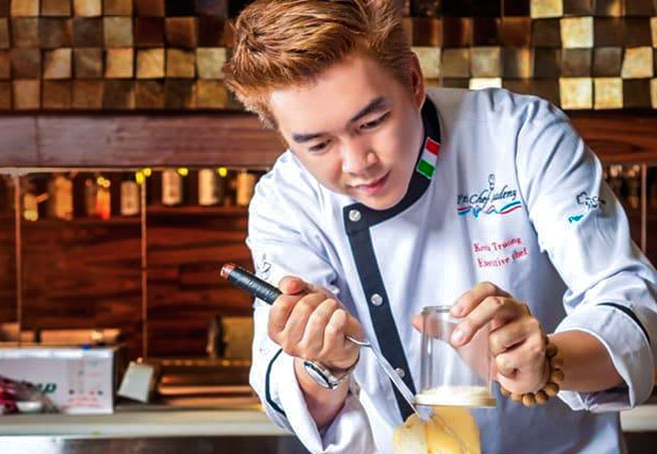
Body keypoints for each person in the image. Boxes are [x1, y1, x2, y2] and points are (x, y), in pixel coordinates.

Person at [222, 1, 657, 453]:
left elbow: (630, 303)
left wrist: (546, 361)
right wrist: (322, 365)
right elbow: (288, 395)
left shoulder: (518, 134)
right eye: (317, 145)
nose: (357, 163)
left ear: (413, 81)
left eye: (372, 122)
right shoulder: (286, 202)